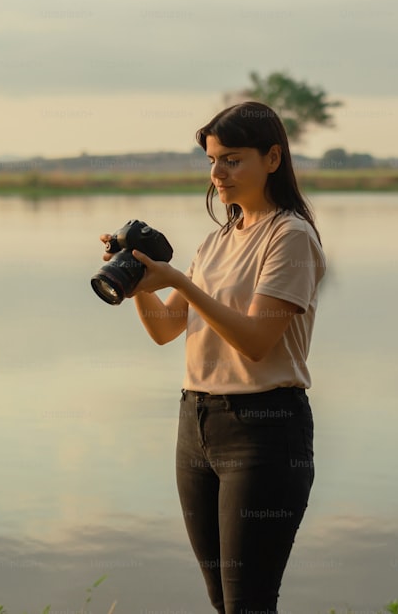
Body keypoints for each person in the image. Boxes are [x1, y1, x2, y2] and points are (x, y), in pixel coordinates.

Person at [99, 101, 326, 613]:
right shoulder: (218, 239)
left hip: (264, 431)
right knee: (222, 602)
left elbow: (255, 341)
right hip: (196, 425)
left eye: (232, 159)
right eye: (212, 160)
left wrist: (179, 280)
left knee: (248, 603)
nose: (218, 173)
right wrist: (137, 277)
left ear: (273, 159)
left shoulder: (289, 237)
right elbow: (165, 329)